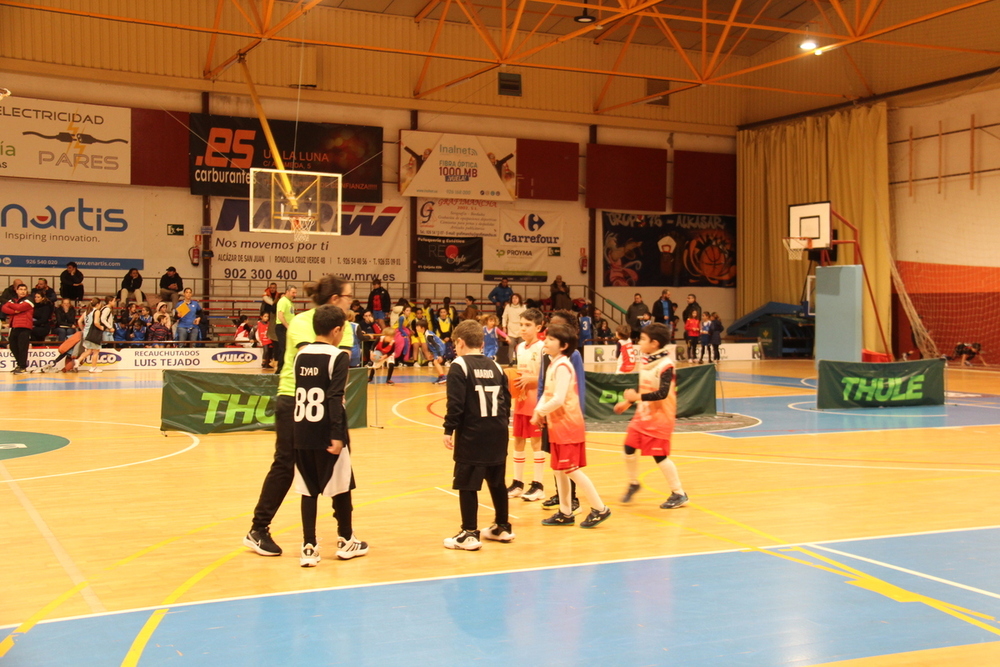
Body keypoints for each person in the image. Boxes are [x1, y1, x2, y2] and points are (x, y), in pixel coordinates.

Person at [244, 274, 354, 558]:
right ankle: (258, 528)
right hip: (295, 400)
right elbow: (316, 369)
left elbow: (337, 374)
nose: (353, 300)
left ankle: (346, 535)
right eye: (349, 296)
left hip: (327, 405)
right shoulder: (303, 322)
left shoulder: (345, 326)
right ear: (335, 299)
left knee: (340, 464)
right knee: (287, 464)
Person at [293, 304, 368, 566]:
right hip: (327, 431)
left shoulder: (300, 355)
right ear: (336, 330)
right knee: (343, 486)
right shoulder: (338, 357)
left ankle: (309, 546)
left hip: (302, 431)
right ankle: (346, 539)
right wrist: (338, 435)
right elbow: (335, 397)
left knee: (308, 490)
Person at [441, 320, 514, 550]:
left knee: (467, 484)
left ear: (460, 342)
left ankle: (469, 533)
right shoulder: (497, 367)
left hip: (473, 434)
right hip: (498, 431)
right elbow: (507, 402)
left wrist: (448, 429)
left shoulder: (459, 366)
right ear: (482, 343)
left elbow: (456, 403)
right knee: (497, 481)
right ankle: (503, 526)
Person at [531, 323, 611, 528]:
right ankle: (565, 512)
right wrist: (537, 411)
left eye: (550, 339)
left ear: (563, 345)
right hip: (557, 424)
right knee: (559, 469)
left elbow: (558, 399)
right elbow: (548, 394)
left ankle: (600, 508)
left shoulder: (564, 366)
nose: (545, 341)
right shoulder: (552, 364)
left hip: (568, 425)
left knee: (570, 469)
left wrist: (541, 411)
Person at [614, 323, 689, 510]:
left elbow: (662, 393)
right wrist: (627, 403)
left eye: (643, 339)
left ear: (654, 343)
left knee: (659, 457)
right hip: (643, 416)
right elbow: (645, 387)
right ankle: (633, 483)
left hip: (660, 418)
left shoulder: (666, 365)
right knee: (628, 448)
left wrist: (635, 397)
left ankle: (679, 493)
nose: (639, 342)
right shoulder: (647, 360)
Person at [538, 310, 585, 512]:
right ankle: (561, 496)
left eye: (558, 327)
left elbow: (578, 388)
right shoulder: (547, 354)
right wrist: (540, 409)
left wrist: (578, 413)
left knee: (568, 461)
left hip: (566, 416)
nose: (552, 329)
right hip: (550, 412)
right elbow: (543, 383)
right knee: (555, 456)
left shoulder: (572, 356)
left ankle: (572, 500)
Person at [507, 307, 546, 502]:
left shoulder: (543, 348)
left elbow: (546, 377)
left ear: (539, 327)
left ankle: (538, 485)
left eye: (528, 325)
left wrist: (532, 380)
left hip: (536, 401)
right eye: (521, 325)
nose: (523, 329)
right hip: (520, 401)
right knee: (518, 439)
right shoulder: (520, 347)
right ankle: (517, 482)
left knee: (536, 441)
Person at [3, 283, 33, 374]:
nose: (23, 291)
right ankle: (19, 365)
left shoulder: (29, 300)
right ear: (17, 290)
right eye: (21, 289)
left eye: (24, 289)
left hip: (24, 326)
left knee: (22, 347)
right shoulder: (13, 300)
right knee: (13, 346)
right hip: (14, 326)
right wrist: (15, 311)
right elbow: (4, 308)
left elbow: (20, 307)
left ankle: (23, 367)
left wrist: (10, 306)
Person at [77, 298, 104, 373]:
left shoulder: (87, 312)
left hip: (86, 333)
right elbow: (96, 322)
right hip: (92, 333)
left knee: (89, 350)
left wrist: (83, 329)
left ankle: (77, 360)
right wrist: (101, 327)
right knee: (96, 351)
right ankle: (93, 367)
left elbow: (79, 321)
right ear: (98, 304)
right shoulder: (97, 311)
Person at [274, 285, 297, 372]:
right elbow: (280, 316)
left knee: (288, 348)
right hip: (282, 327)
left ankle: (287, 368)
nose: (294, 295)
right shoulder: (283, 301)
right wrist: (287, 326)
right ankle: (279, 370)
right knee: (283, 348)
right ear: (287, 292)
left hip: (287, 327)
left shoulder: (289, 302)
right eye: (293, 292)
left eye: (295, 293)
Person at [501, 293, 526, 365]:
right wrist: (504, 326)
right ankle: (511, 361)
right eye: (513, 298)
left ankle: (520, 360)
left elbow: (526, 317)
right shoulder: (508, 306)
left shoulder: (523, 307)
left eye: (516, 298)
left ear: (519, 299)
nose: (514, 300)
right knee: (511, 345)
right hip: (511, 328)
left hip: (521, 328)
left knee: (521, 346)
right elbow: (504, 317)